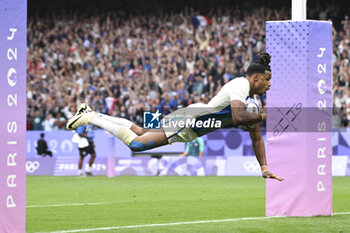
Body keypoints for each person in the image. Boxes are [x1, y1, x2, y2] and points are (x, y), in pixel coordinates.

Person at [67, 53, 283, 181]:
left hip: (193, 122)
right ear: (255, 77)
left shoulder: (252, 102)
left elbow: (256, 138)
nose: (270, 83)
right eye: (267, 79)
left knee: (141, 132)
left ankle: (89, 113)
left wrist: (263, 168)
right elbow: (237, 117)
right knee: (137, 145)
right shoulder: (241, 84)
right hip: (192, 120)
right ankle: (90, 117)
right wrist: (264, 116)